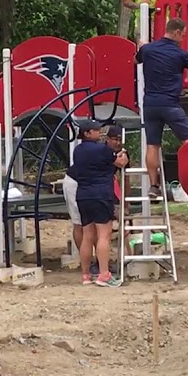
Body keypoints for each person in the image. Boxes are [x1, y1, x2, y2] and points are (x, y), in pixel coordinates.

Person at [136, 18, 188, 199]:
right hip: (170, 104)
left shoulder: (148, 50)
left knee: (152, 145)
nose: (182, 38)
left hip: (150, 104)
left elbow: (136, 59)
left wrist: (143, 47)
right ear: (177, 32)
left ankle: (154, 186)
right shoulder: (181, 54)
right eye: (182, 35)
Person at [68, 119, 128, 286]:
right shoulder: (102, 149)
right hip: (101, 194)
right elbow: (120, 163)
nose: (100, 133)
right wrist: (123, 154)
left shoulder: (78, 150)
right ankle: (104, 275)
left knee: (87, 235)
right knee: (104, 235)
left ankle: (86, 275)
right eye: (96, 130)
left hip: (83, 195)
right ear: (87, 133)